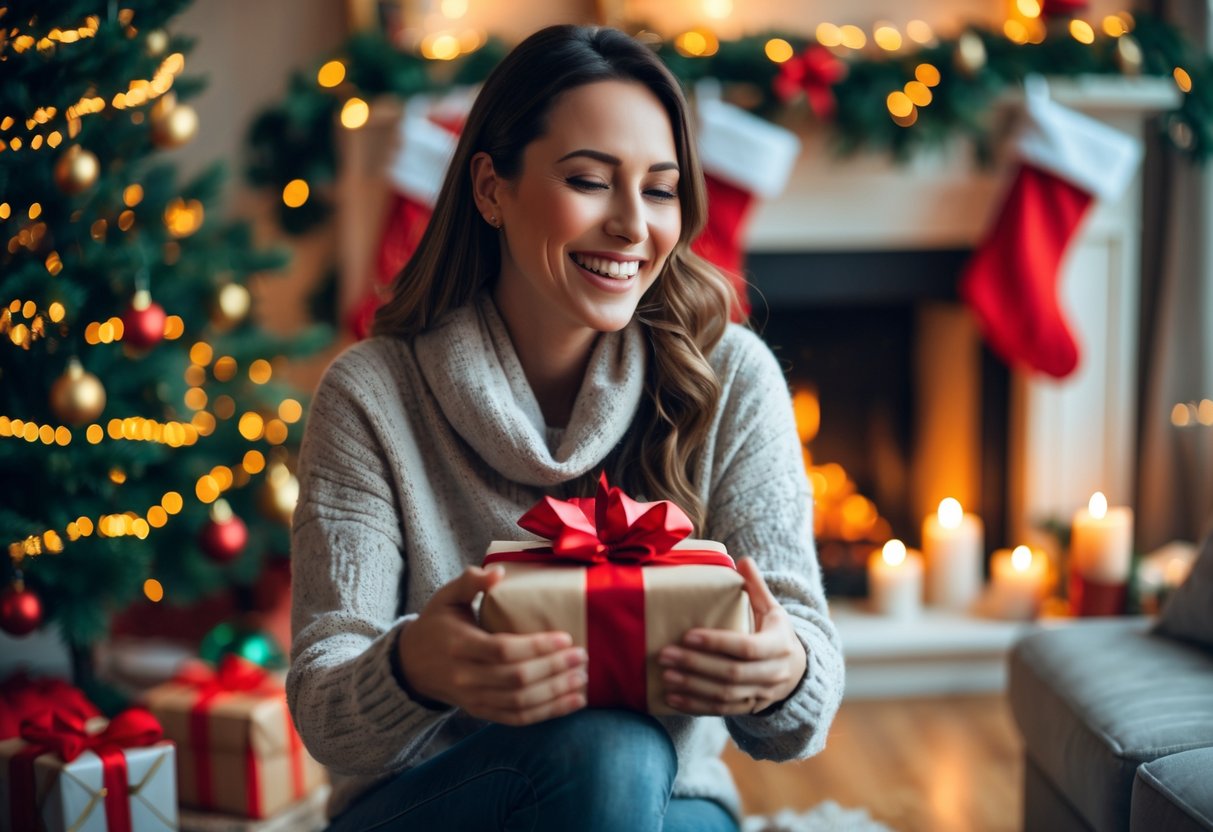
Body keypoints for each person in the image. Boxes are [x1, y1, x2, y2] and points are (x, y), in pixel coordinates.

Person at [288, 24, 844, 832]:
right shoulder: (373, 396)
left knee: (626, 766)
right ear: (490, 189)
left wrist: (784, 669)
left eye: (658, 190)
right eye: (589, 180)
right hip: (435, 802)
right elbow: (324, 710)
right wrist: (416, 668)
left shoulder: (732, 378)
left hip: (665, 803)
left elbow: (805, 709)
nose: (632, 225)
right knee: (608, 750)